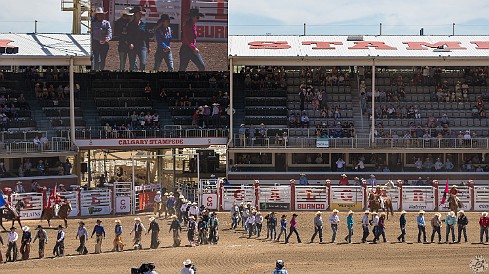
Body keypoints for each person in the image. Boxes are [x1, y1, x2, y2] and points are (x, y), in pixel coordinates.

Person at [127, 7, 149, 71]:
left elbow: (146, 36)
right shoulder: (130, 24)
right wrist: (130, 43)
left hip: (142, 45)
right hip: (133, 45)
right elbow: (128, 35)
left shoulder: (144, 24)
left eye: (141, 14)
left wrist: (148, 46)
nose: (140, 15)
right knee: (132, 64)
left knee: (143, 63)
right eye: (139, 14)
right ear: (135, 14)